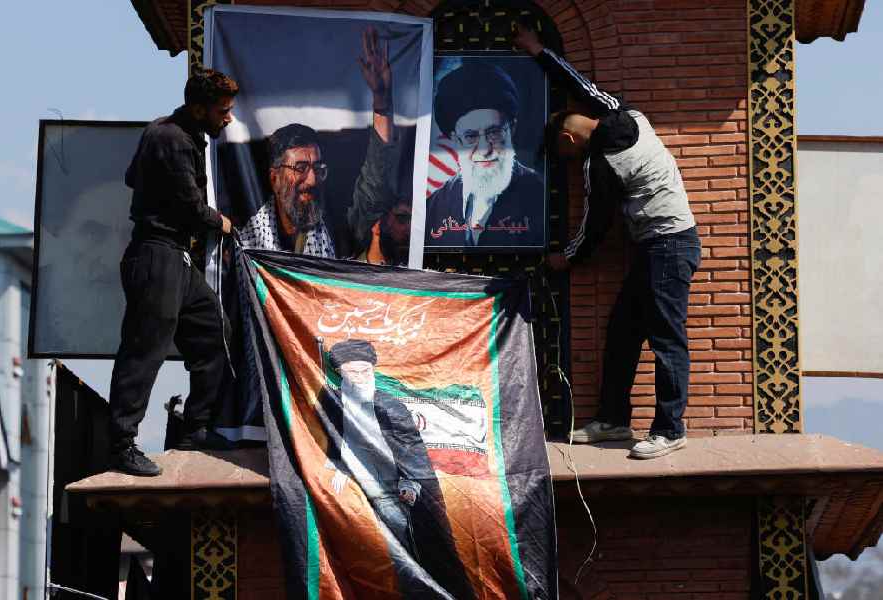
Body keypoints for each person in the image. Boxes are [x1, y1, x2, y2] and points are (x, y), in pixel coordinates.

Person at [515, 25, 701, 459]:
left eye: (565, 156)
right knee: (622, 332)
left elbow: (594, 229)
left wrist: (566, 259)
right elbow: (580, 84)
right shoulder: (625, 113)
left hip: (670, 248)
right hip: (656, 249)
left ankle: (670, 429)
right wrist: (538, 51)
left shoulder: (602, 166)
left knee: (667, 338)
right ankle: (614, 420)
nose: (569, 163)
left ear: (569, 141)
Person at [108, 69, 238, 477]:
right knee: (145, 350)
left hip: (176, 257)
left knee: (214, 331)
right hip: (156, 255)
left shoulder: (172, 134)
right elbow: (190, 208)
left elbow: (133, 178)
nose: (228, 118)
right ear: (199, 108)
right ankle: (122, 444)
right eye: (222, 111)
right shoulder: (171, 138)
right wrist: (221, 223)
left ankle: (194, 429)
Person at [319, 339, 474, 599]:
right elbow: (331, 444)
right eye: (352, 372)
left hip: (389, 495)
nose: (359, 378)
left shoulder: (390, 407)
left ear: (372, 372)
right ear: (341, 375)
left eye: (364, 371)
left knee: (407, 559)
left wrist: (410, 484)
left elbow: (412, 454)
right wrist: (336, 469)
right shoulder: (333, 404)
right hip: (353, 492)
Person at [240, 27, 399, 259]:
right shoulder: (247, 242)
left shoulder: (338, 225)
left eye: (317, 169)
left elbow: (376, 181)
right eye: (301, 168)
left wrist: (382, 99)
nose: (312, 180)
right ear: (274, 178)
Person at [425, 62, 544, 248]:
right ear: (456, 140)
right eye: (471, 136)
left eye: (494, 132)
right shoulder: (436, 205)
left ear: (512, 129)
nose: (484, 149)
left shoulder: (539, 195)